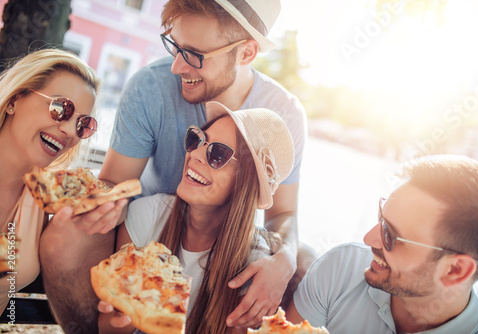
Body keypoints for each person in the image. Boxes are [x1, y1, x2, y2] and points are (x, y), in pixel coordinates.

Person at [42, 0, 310, 331]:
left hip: (224, 241)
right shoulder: (149, 87)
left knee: (304, 266)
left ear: (246, 53)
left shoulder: (286, 114)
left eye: (195, 55)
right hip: (146, 229)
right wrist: (101, 199)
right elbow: (115, 182)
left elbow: (282, 215)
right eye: (175, 46)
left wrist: (284, 258)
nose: (177, 67)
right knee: (66, 231)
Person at [97, 101, 295, 333]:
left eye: (218, 154)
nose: (195, 154)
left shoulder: (254, 270)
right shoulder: (146, 215)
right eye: (197, 140)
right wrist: (129, 313)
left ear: (245, 183)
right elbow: (106, 329)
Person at [286, 155, 478, 333]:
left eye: (391, 235)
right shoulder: (341, 268)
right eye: (381, 217)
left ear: (455, 270)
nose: (369, 239)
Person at [0, 49, 102, 313]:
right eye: (60, 108)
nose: (69, 131)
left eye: (83, 124)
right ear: (14, 99)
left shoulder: (45, 197)